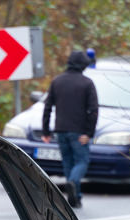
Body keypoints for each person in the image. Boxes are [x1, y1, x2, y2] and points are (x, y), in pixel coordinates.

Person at [41, 51, 99, 208]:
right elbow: (93, 111)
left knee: (68, 163)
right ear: (82, 65)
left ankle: (75, 198)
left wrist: (46, 131)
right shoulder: (87, 83)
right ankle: (73, 183)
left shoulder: (57, 81)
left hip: (60, 130)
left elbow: (47, 107)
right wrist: (89, 133)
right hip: (79, 132)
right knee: (82, 161)